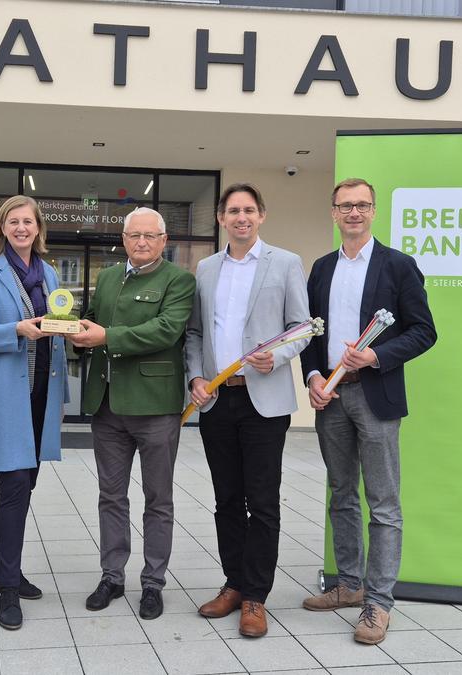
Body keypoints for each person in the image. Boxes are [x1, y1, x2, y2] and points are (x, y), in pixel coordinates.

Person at [300, 177, 437, 645]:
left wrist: (376, 356)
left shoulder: (398, 266)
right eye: (345, 206)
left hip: (375, 395)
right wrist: (314, 377)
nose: (353, 213)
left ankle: (378, 604)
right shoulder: (320, 269)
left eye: (361, 205)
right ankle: (348, 586)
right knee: (341, 494)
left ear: (373, 211)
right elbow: (309, 334)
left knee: (383, 503)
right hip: (332, 397)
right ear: (334, 212)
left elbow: (424, 331)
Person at [185, 182, 311, 638]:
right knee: (225, 501)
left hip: (264, 399)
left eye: (249, 210)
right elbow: (196, 332)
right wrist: (196, 377)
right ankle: (234, 584)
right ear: (220, 218)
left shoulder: (286, 263)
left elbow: (302, 327)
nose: (241, 217)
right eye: (233, 211)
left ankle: (256, 596)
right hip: (218, 399)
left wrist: (275, 357)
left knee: (262, 501)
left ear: (261, 216)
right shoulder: (206, 267)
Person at [71, 207, 195, 621]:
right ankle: (112, 576)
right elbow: (92, 320)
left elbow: (167, 330)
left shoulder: (179, 280)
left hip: (155, 404)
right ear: (123, 239)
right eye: (133, 235)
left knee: (158, 499)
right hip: (107, 404)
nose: (141, 242)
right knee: (111, 496)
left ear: (164, 241)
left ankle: (153, 582)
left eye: (150, 236)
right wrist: (73, 331)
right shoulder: (108, 276)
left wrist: (107, 336)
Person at [0, 195, 68, 631]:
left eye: (28, 222)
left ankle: (8, 567)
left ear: (39, 228)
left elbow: (58, 327)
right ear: (1, 229)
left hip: (42, 392)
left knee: (27, 484)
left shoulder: (52, 273)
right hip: (6, 395)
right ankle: (7, 585)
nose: (21, 228)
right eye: (13, 222)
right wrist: (15, 330)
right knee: (15, 484)